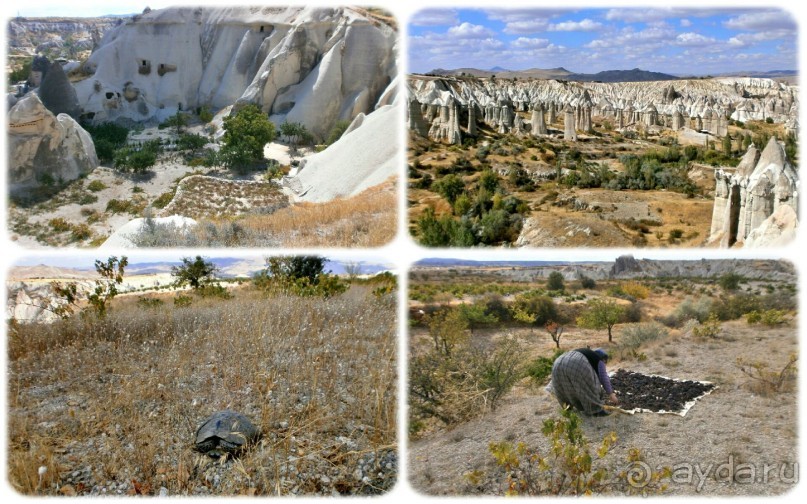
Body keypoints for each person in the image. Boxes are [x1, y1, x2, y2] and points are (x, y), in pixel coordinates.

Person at [549, 347, 618, 417]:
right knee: (589, 386)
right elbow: (603, 377)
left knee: (565, 385)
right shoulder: (599, 359)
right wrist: (611, 394)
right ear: (604, 359)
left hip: (558, 361)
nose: (605, 364)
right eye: (605, 362)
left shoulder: (586, 354)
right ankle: (596, 410)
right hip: (577, 362)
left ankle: (567, 408)